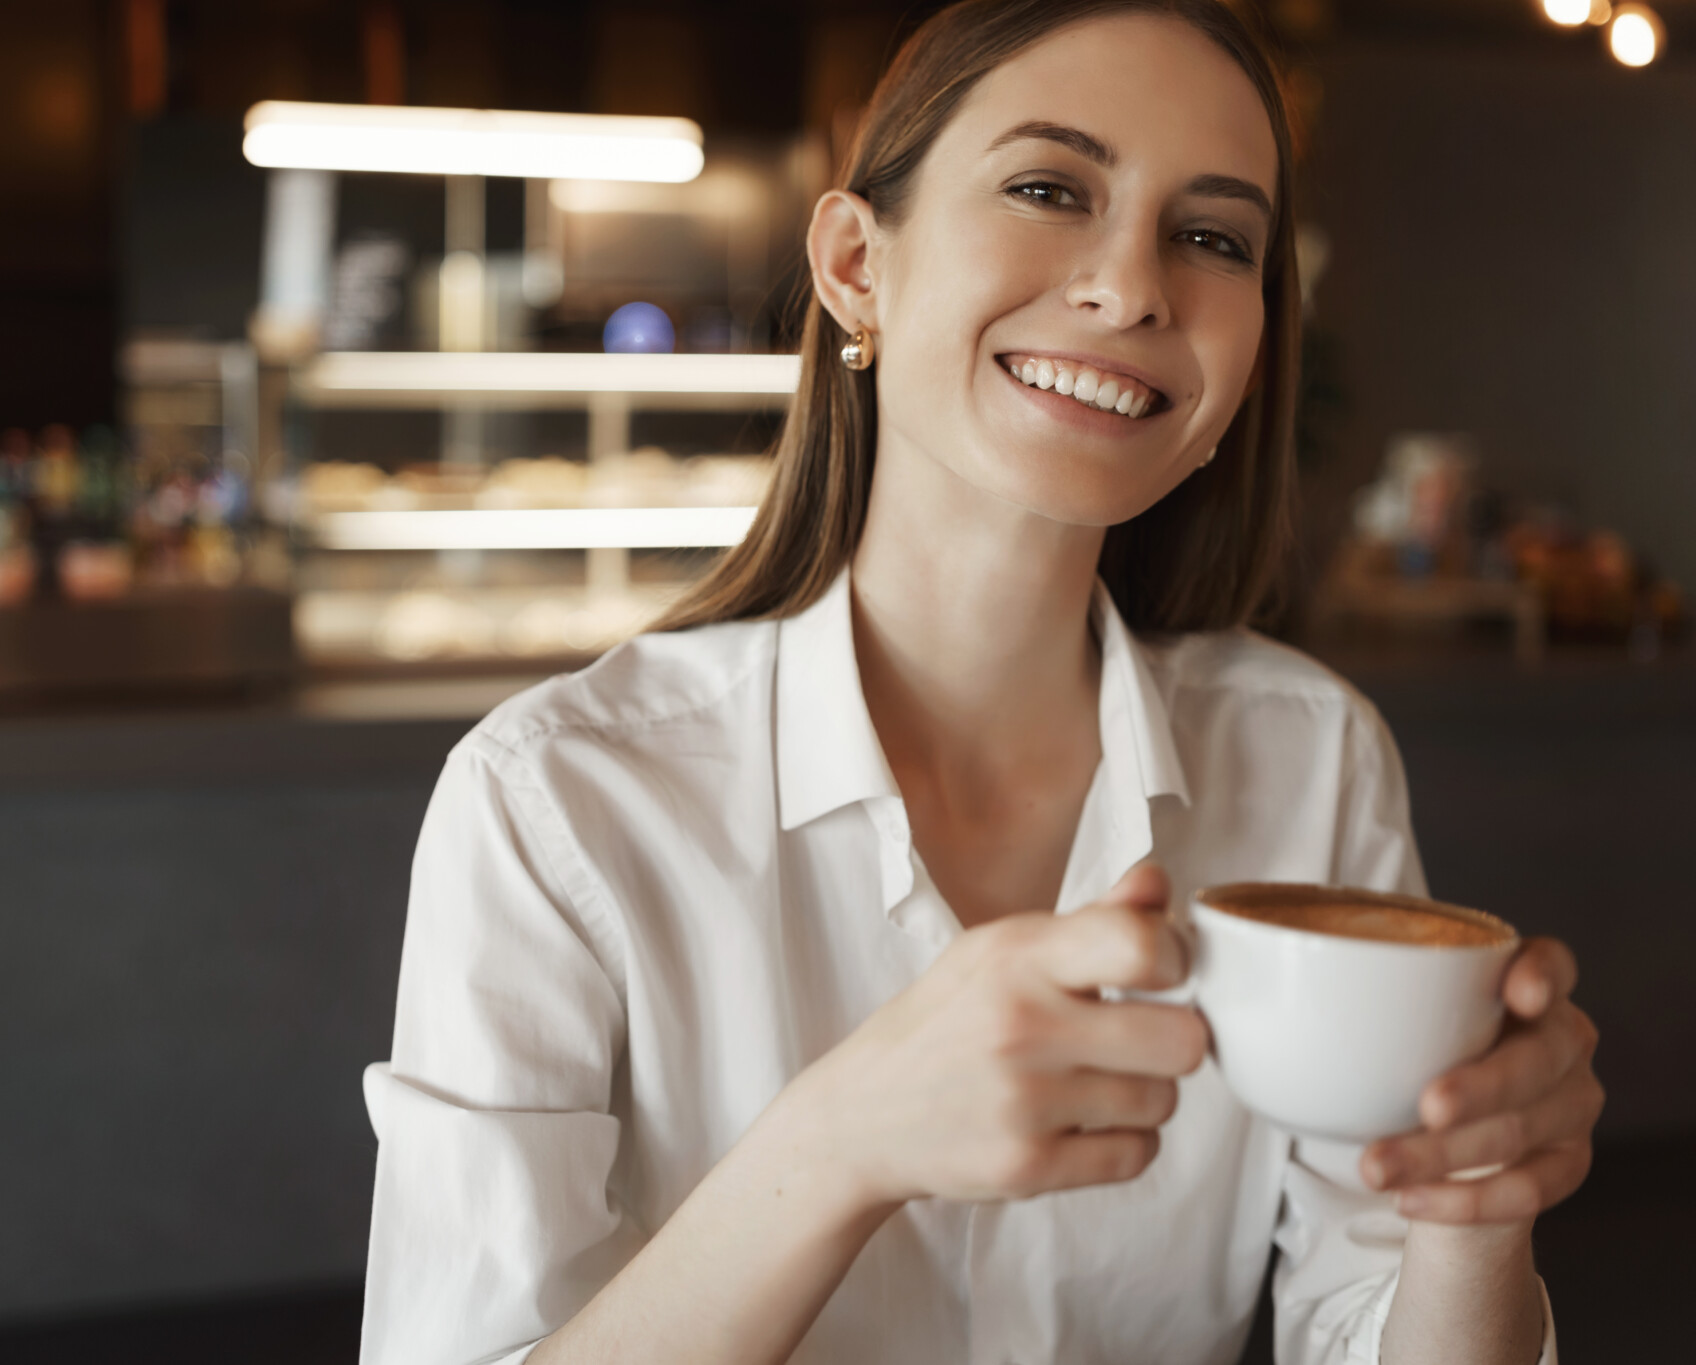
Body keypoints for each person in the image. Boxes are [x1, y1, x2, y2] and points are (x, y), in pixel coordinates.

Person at [359, 2, 1603, 1361]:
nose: (1132, 287)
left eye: (1212, 237)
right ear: (854, 266)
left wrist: (1475, 1216)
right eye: (1047, 188)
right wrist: (841, 1143)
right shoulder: (555, 800)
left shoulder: (1310, 759)